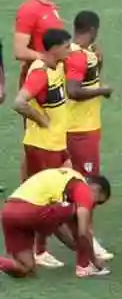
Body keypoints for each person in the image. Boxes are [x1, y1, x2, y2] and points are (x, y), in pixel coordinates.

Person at [12, 28, 73, 269]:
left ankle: (40, 248)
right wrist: (40, 119)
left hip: (57, 143)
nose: (69, 50)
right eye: (66, 47)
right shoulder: (39, 72)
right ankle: (38, 250)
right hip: (42, 145)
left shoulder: (56, 66)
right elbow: (19, 102)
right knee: (44, 199)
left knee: (57, 194)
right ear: (53, 49)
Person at [0, 169, 110, 278]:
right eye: (98, 201)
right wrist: (94, 259)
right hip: (31, 211)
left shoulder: (66, 177)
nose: (93, 205)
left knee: (25, 268)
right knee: (77, 214)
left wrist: (78, 246)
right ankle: (84, 266)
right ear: (97, 189)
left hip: (8, 212)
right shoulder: (83, 189)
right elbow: (82, 232)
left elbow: (58, 226)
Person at [64, 11, 111, 176]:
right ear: (92, 30)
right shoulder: (78, 56)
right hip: (80, 129)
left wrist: (99, 63)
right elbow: (73, 91)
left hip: (81, 126)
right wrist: (102, 91)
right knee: (87, 181)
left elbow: (87, 79)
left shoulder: (74, 51)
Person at [13, 0, 64, 84]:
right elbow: (19, 51)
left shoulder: (50, 6)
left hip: (54, 77)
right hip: (37, 81)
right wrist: (45, 58)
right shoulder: (29, 10)